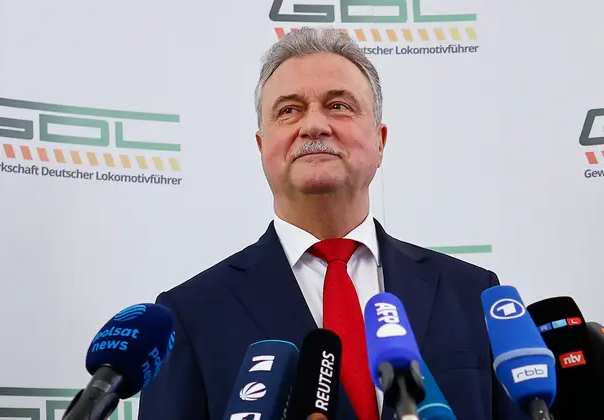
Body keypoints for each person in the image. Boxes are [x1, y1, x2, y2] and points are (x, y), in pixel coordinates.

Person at [138, 27, 521, 420]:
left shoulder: (473, 293)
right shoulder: (191, 314)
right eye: (289, 110)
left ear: (380, 141)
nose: (314, 126)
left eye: (338, 105)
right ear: (262, 147)